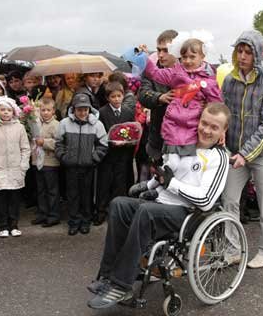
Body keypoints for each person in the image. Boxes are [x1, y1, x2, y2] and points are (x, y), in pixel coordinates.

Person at [87, 104, 231, 309]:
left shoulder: (219, 158)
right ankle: (108, 275)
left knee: (146, 212)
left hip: (187, 215)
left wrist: (172, 184)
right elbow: (165, 173)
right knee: (119, 204)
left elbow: (206, 200)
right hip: (160, 204)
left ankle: (121, 285)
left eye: (214, 127)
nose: (207, 130)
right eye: (204, 123)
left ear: (223, 132)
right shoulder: (184, 144)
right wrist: (148, 184)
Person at [221, 30, 263, 269]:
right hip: (235, 151)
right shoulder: (229, 79)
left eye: (248, 52)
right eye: (240, 50)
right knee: (229, 200)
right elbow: (222, 112)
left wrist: (246, 153)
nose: (243, 56)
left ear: (257, 54)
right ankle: (233, 249)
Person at [144, 37, 222, 157]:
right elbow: (154, 73)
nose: (188, 61)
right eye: (184, 57)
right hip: (172, 126)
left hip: (193, 128)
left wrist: (220, 130)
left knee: (188, 165)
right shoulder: (175, 73)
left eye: (192, 57)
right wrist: (145, 57)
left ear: (202, 56)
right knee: (171, 163)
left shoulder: (209, 80)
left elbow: (217, 106)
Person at [55, 94, 108, 236]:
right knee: (72, 195)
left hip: (88, 167)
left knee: (86, 195)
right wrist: (64, 158)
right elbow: (58, 143)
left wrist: (94, 159)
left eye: (85, 109)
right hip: (71, 166)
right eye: (79, 109)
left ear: (89, 109)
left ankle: (85, 221)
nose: (82, 112)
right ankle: (73, 221)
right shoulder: (65, 123)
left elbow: (103, 145)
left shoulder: (97, 124)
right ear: (73, 109)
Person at [0, 97, 30, 237]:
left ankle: (14, 224)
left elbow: (25, 148)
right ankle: (3, 225)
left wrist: (23, 165)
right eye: (2, 110)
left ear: (13, 112)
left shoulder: (19, 127)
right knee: (1, 199)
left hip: (16, 168)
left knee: (15, 198)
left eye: (8, 110)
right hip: (0, 169)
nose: (6, 113)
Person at [96, 82, 135, 225]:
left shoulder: (128, 112)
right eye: (113, 96)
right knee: (104, 183)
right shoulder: (102, 112)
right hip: (107, 154)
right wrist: (109, 140)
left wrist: (127, 141)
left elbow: (132, 131)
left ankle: (117, 213)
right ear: (108, 98)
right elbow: (99, 133)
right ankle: (101, 211)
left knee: (120, 183)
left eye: (119, 96)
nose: (117, 99)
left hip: (123, 154)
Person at [138, 29, 178, 163]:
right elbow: (143, 94)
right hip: (158, 140)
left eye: (165, 50)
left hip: (183, 143)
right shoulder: (151, 71)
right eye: (158, 50)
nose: (160, 55)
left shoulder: (189, 72)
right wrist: (159, 97)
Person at [30, 98, 61, 227]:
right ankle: (43, 213)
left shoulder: (56, 125)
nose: (45, 112)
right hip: (38, 161)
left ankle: (53, 215)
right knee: (41, 189)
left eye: (48, 110)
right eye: (43, 110)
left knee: (51, 190)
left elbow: (59, 143)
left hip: (50, 162)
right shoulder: (36, 123)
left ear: (53, 111)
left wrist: (45, 142)